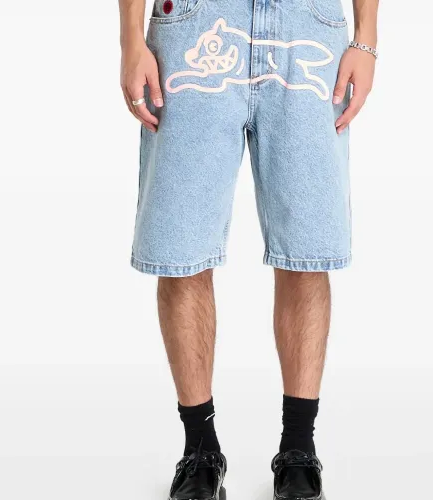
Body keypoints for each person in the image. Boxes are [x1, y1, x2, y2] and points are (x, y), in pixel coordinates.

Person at [118, 0, 378, 498]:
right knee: (182, 249)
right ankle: (199, 451)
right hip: (195, 23)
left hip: (307, 23)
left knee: (306, 250)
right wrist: (131, 38)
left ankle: (299, 449)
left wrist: (367, 40)